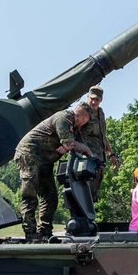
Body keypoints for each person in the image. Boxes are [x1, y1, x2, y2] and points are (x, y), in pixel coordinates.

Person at [13, 104, 92, 241]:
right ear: (85, 117)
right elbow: (70, 144)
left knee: (50, 197)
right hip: (29, 154)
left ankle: (44, 232)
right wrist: (77, 147)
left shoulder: (74, 128)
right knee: (30, 196)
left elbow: (76, 146)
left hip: (44, 161)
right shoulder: (64, 118)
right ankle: (30, 234)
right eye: (87, 119)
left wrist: (85, 153)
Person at [80, 86, 119, 200]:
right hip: (86, 158)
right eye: (91, 98)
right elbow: (73, 131)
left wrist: (111, 154)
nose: (93, 102)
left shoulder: (100, 113)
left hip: (99, 160)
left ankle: (89, 216)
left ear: (101, 100)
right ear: (87, 97)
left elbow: (103, 136)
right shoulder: (82, 109)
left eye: (96, 99)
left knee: (93, 193)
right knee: (83, 191)